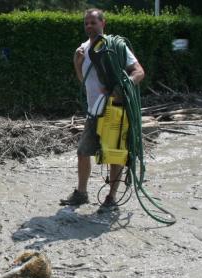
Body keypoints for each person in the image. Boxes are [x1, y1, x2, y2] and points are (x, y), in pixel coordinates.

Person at [60, 8, 145, 211]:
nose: (89, 26)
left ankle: (112, 198)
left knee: (115, 154)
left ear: (102, 23)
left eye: (93, 22)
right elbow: (84, 81)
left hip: (116, 111)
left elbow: (139, 71)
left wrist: (125, 85)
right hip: (94, 111)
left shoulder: (116, 46)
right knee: (82, 152)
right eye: (86, 23)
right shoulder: (82, 49)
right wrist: (76, 64)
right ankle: (81, 194)